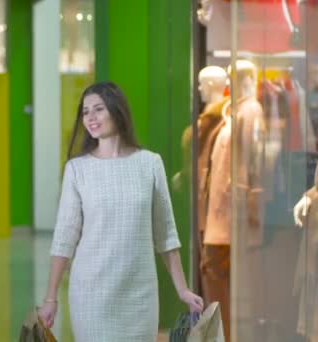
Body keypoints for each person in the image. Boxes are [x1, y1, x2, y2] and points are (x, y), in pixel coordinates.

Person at [38, 82, 204, 341]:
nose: (90, 118)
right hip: (91, 294)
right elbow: (64, 239)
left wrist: (182, 289)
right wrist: (50, 298)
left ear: (117, 111)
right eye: (85, 112)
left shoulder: (150, 164)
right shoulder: (77, 169)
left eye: (98, 109)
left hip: (139, 294)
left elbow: (165, 234)